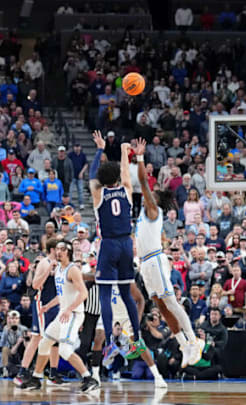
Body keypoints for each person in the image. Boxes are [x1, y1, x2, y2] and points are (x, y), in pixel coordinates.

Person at [133, 138, 203, 369]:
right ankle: (183, 344)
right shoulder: (144, 215)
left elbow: (142, 180)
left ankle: (194, 340)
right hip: (145, 264)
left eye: (150, 194)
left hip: (155, 260)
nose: (146, 195)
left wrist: (140, 157)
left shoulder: (154, 210)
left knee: (171, 303)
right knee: (161, 307)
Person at [89, 130, 144, 362]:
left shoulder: (98, 193)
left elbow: (92, 174)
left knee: (104, 293)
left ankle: (111, 342)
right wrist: (124, 152)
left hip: (109, 245)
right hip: (126, 244)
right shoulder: (127, 191)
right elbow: (125, 174)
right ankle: (137, 337)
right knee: (126, 294)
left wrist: (100, 148)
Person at [20, 241, 99, 392]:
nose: (58, 252)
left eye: (62, 249)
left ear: (68, 252)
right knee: (44, 344)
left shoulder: (73, 269)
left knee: (64, 350)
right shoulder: (58, 270)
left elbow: (84, 293)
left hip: (74, 314)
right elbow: (61, 295)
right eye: (57, 249)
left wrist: (69, 309)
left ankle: (89, 378)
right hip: (63, 313)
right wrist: (48, 306)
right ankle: (36, 378)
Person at [13, 239, 65, 387]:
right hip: (42, 303)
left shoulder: (61, 264)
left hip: (55, 305)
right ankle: (22, 371)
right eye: (59, 248)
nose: (61, 251)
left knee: (55, 340)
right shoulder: (44, 262)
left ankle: (53, 373)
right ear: (52, 249)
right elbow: (34, 285)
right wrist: (49, 270)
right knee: (37, 337)